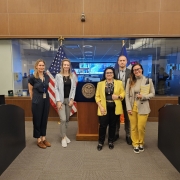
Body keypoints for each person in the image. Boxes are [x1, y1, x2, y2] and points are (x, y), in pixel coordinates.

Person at [125, 63, 155, 153]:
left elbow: (152, 94)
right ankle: (135, 144)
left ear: (142, 69)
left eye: (138, 69)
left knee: (141, 127)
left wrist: (143, 96)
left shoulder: (148, 80)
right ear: (133, 72)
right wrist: (128, 108)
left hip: (143, 107)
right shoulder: (129, 81)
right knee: (133, 127)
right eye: (135, 70)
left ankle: (141, 142)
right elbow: (126, 95)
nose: (137, 71)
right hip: (132, 107)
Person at [95, 67, 125, 151]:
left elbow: (123, 92)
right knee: (102, 125)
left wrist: (118, 96)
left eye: (111, 72)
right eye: (107, 73)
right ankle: (101, 142)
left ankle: (111, 141)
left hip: (115, 107)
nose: (109, 74)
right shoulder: (100, 84)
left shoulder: (119, 83)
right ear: (105, 74)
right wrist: (100, 106)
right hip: (104, 107)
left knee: (113, 126)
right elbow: (97, 96)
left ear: (113, 74)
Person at [28, 59, 51, 149]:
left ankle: (44, 138)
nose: (41, 67)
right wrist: (33, 100)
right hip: (37, 100)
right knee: (37, 120)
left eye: (43, 65)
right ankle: (38, 140)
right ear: (36, 66)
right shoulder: (32, 77)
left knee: (44, 119)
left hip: (46, 99)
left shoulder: (46, 76)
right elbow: (30, 90)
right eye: (40, 65)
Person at [55, 58, 77, 148]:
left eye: (68, 65)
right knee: (63, 119)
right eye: (65, 65)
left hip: (69, 100)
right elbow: (56, 88)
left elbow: (74, 88)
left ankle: (64, 134)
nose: (66, 66)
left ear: (69, 66)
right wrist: (58, 101)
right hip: (61, 100)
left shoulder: (72, 76)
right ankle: (63, 137)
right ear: (62, 66)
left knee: (67, 119)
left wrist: (72, 99)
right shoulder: (58, 76)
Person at [115, 55, 132, 145]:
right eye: (120, 60)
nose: (122, 62)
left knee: (127, 117)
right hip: (117, 98)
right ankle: (116, 133)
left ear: (126, 62)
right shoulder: (114, 72)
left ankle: (128, 135)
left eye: (123, 60)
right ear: (118, 62)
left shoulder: (131, 72)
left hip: (127, 98)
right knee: (116, 116)